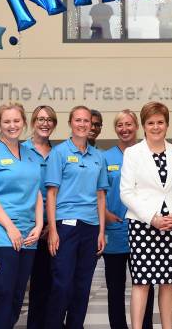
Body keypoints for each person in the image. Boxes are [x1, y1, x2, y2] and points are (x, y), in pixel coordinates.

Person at [120, 101, 172, 329]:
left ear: (167, 125)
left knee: (168, 282)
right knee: (141, 283)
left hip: (171, 225)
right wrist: (152, 217)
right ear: (144, 126)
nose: (156, 127)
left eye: (160, 122)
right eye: (151, 123)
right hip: (142, 225)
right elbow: (126, 192)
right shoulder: (133, 153)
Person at [0, 103, 43, 329]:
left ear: (24, 122)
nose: (12, 126)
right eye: (6, 122)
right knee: (0, 294)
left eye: (16, 121)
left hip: (27, 236)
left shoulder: (32, 155)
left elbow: (38, 193)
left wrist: (39, 225)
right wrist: (10, 227)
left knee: (16, 297)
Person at [44, 105, 108, 329]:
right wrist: (52, 230)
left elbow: (101, 196)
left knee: (82, 286)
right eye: (78, 120)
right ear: (70, 123)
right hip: (65, 226)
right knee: (62, 283)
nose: (82, 124)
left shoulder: (98, 157)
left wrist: (101, 231)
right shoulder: (59, 153)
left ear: (92, 125)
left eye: (87, 121)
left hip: (90, 227)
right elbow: (51, 194)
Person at [103, 109, 154, 329]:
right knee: (115, 289)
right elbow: (98, 192)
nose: (124, 129)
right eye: (120, 125)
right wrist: (105, 215)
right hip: (115, 231)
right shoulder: (107, 157)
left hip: (143, 230)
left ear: (137, 127)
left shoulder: (149, 153)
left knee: (145, 286)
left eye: (129, 124)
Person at [25, 106, 57, 329]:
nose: (45, 123)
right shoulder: (20, 150)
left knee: (48, 283)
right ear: (33, 121)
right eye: (40, 119)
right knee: (19, 285)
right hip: (25, 225)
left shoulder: (58, 153)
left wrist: (50, 225)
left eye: (49, 120)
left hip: (52, 227)